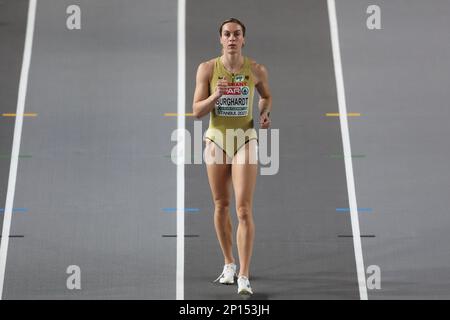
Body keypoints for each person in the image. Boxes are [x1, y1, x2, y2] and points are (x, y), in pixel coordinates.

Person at [192, 17, 272, 295]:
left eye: (237, 34)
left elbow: (266, 96)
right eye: (227, 34)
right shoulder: (207, 69)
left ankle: (244, 275)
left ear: (243, 39)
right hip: (216, 139)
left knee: (243, 209)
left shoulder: (257, 70)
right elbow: (196, 111)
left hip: (244, 139)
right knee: (221, 204)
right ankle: (229, 263)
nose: (232, 38)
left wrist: (264, 112)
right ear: (221, 39)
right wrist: (216, 95)